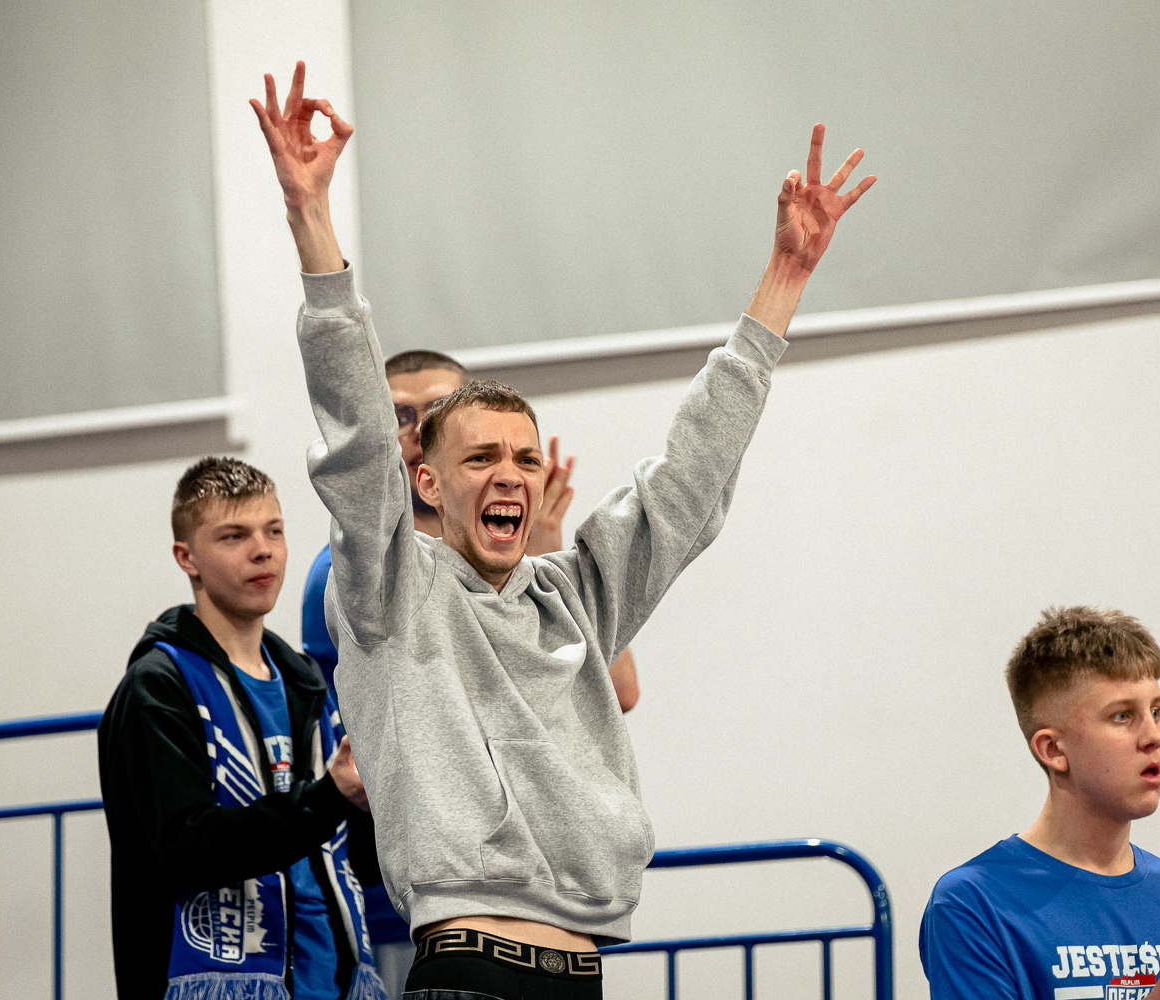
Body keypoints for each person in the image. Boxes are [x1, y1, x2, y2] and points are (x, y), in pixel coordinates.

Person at [253, 60, 873, 998]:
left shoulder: (574, 593)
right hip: (465, 968)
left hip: (582, 971)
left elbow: (689, 477)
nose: (509, 472)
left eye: (524, 457)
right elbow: (355, 434)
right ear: (425, 478)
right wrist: (310, 214)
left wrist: (783, 278)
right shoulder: (390, 589)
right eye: (479, 458)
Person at [300, 352, 640, 997]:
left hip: (544, 922)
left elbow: (618, 692)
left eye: (433, 411)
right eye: (399, 415)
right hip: (406, 883)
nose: (412, 430)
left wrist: (546, 552)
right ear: (428, 473)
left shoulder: (533, 570)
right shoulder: (362, 571)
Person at [97, 457, 387, 1000]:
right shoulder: (157, 688)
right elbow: (188, 847)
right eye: (234, 536)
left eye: (273, 531)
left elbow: (363, 867)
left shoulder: (307, 684)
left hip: (335, 982)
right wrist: (331, 796)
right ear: (187, 557)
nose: (263, 550)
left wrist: (374, 801)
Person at [920, 606, 1160, 1000]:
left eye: (1156, 711)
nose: (1154, 736)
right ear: (1053, 749)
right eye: (1122, 716)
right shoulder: (972, 902)